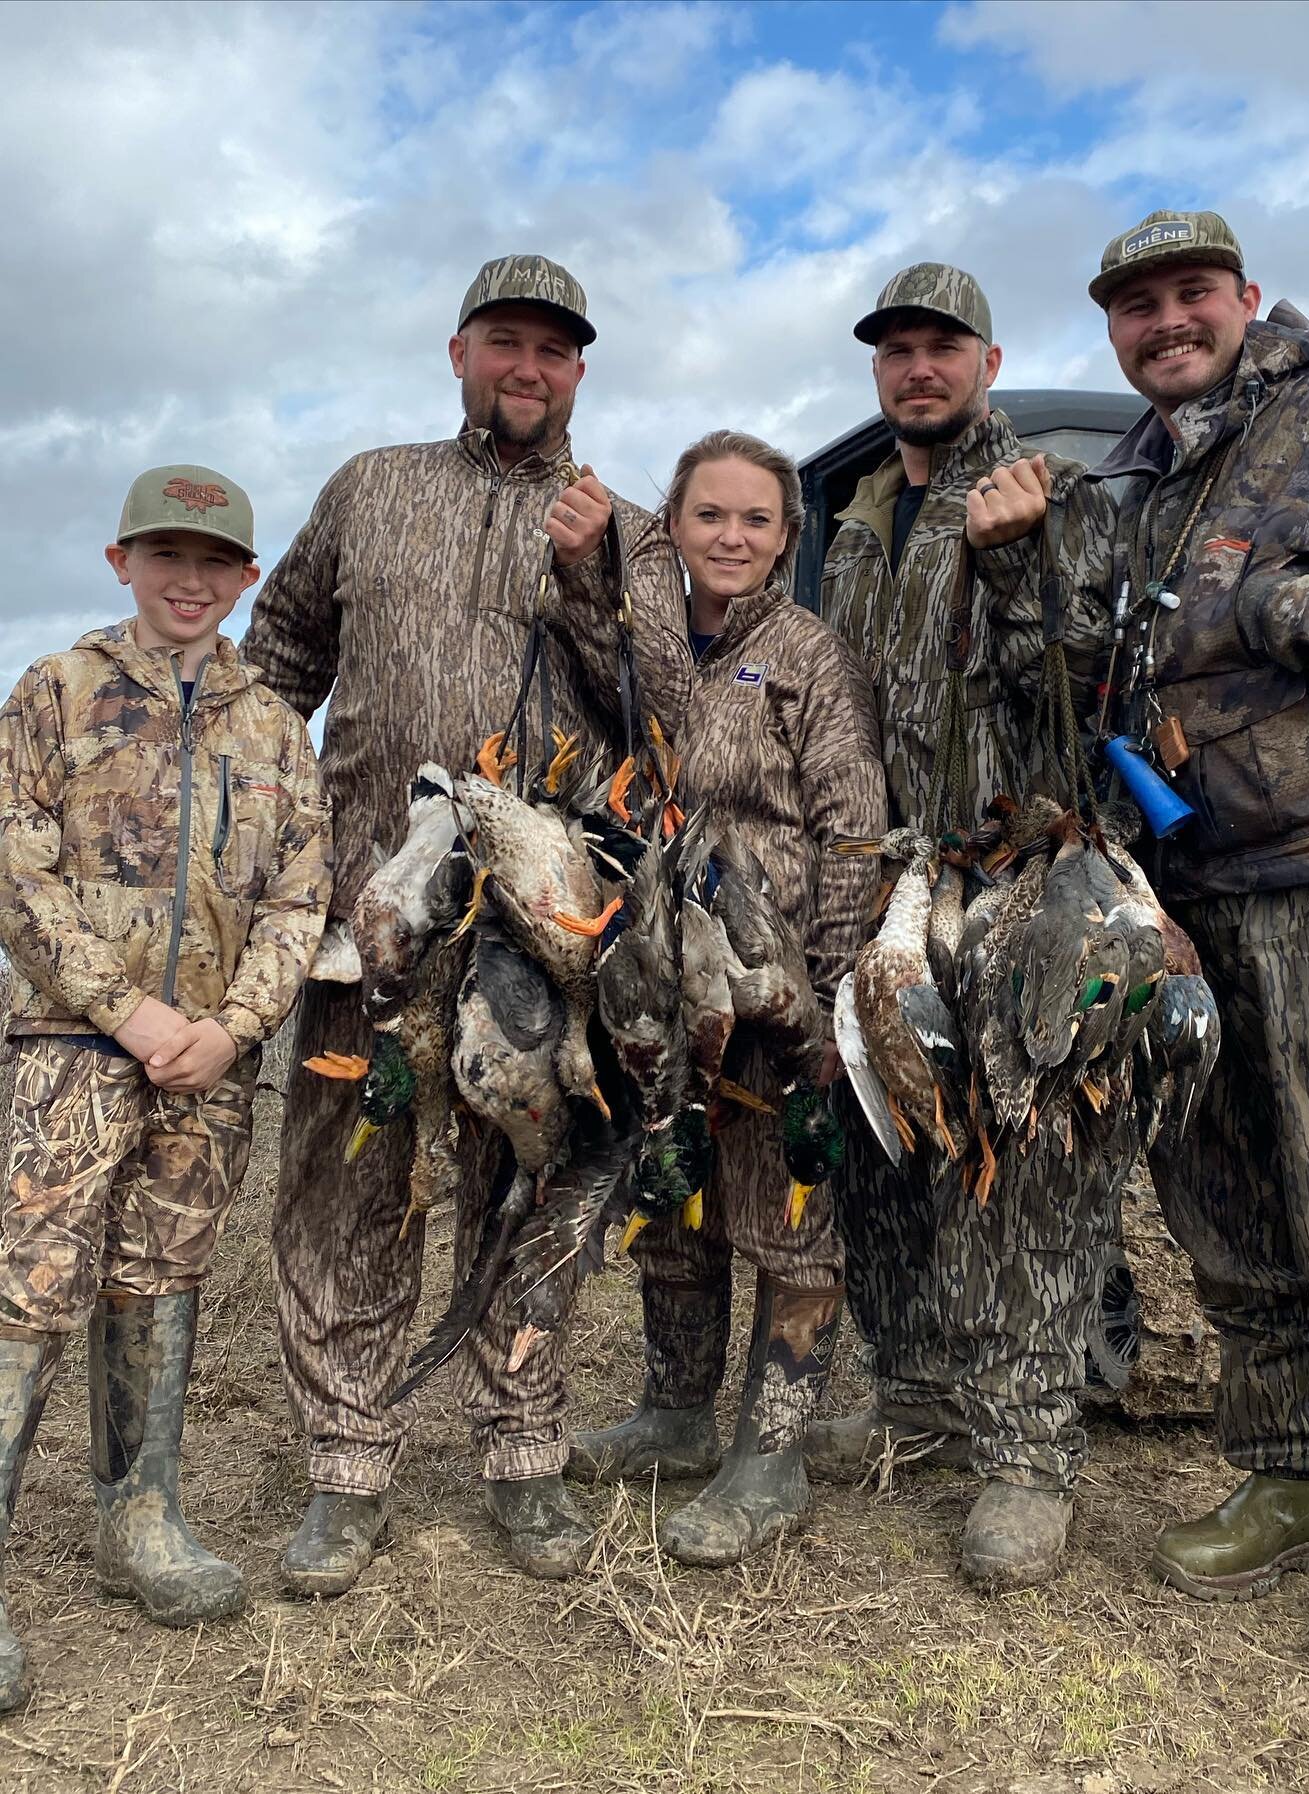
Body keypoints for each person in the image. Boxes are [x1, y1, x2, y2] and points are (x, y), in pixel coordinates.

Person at [243, 255, 691, 1591]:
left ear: (579, 374)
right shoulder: (372, 488)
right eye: (505, 342)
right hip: (370, 916)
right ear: (458, 352)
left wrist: (591, 580)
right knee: (347, 1188)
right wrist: (277, 836)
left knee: (529, 1189)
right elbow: (279, 657)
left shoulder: (627, 528)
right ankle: (347, 1462)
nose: (527, 369)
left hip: (543, 939)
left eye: (553, 352)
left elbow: (665, 717)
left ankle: (523, 1451)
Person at [1074, 209, 1309, 1700]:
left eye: (1190, 294)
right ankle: (1291, 1476)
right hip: (1187, 896)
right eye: (1137, 305)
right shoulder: (1135, 480)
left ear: (1246, 296)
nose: (1166, 322)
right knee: (1225, 1204)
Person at [0, 466, 330, 1710]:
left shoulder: (274, 728)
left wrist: (234, 1027)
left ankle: (139, 1516)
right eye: (165, 556)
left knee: (161, 1273)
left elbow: (303, 895)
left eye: (215, 563)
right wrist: (126, 1011)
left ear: (247, 579)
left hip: (209, 1065)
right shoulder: (56, 692)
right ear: (119, 559)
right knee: (31, 1283)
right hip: (72, 1044)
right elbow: (17, 873)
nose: (189, 582)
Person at [815, 263, 1117, 1590]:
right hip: (887, 875)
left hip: (1014, 867)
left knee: (1026, 1163)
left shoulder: (1051, 490)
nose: (917, 368)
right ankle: (922, 1404)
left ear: (988, 362)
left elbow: (1088, 685)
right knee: (883, 1144)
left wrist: (1016, 562)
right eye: (896, 350)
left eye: (942, 347)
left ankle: (1028, 1455)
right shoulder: (860, 517)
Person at [567, 431, 886, 1564]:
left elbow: (854, 829)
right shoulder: (644, 642)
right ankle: (675, 1414)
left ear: (787, 536)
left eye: (757, 521)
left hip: (773, 981)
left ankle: (773, 1454)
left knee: (788, 1218)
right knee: (674, 1197)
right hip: (659, 974)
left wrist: (833, 993)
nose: (733, 538)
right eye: (710, 517)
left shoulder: (808, 655)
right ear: (677, 523)